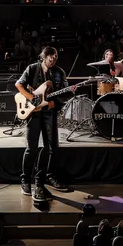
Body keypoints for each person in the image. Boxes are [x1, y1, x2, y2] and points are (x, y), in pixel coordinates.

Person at [15, 46, 76, 202]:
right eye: (51, 56)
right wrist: (32, 99)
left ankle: (43, 178)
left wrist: (68, 92)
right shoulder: (32, 68)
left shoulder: (59, 72)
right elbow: (19, 85)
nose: (54, 59)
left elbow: (63, 93)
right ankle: (25, 179)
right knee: (31, 148)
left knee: (51, 147)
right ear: (44, 56)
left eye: (56, 57)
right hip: (34, 113)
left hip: (49, 113)